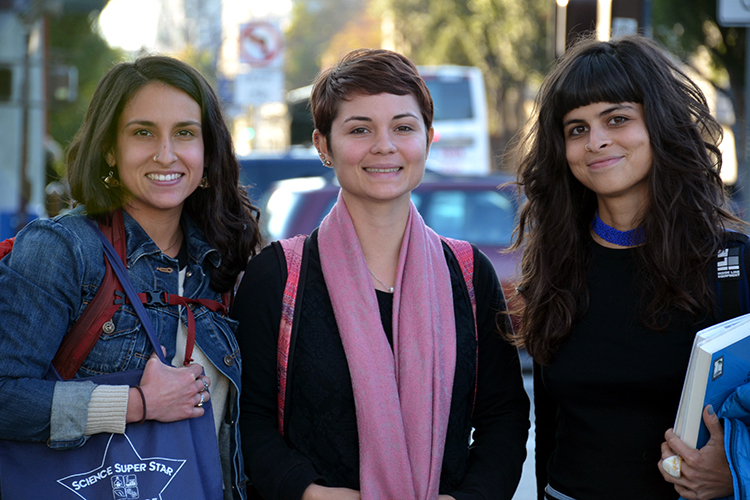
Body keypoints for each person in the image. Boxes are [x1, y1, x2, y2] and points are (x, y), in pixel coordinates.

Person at [232, 48, 530, 500]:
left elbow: (504, 417)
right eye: (359, 129)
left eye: (403, 127)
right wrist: (310, 493)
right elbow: (247, 417)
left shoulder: (469, 276)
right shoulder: (276, 276)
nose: (384, 145)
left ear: (428, 138)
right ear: (323, 145)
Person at [0, 55, 261, 499]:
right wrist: (136, 404)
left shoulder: (222, 262)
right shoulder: (62, 249)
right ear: (109, 148)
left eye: (184, 133)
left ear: (207, 150)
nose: (166, 153)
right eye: (143, 133)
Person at [509, 33, 748, 500]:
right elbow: (551, 430)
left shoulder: (730, 265)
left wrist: (735, 473)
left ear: (659, 124)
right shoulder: (554, 266)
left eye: (616, 119)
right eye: (576, 129)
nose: (596, 141)